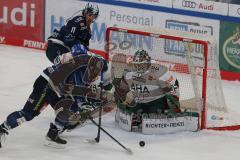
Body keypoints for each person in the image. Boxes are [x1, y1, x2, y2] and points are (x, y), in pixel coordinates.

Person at [0, 42, 109, 148]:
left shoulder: (96, 62)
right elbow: (80, 96)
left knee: (71, 107)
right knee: (28, 114)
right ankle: (2, 128)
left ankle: (53, 134)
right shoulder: (79, 69)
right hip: (46, 85)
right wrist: (89, 102)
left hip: (56, 87)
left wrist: (101, 88)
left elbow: (100, 74)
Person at [112, 49, 181, 129]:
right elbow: (121, 88)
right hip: (138, 102)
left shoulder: (158, 71)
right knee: (129, 110)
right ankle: (139, 117)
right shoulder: (128, 73)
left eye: (141, 65)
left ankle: (165, 115)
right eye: (136, 65)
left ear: (148, 63)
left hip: (156, 101)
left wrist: (174, 104)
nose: (138, 67)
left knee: (155, 114)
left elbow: (174, 85)